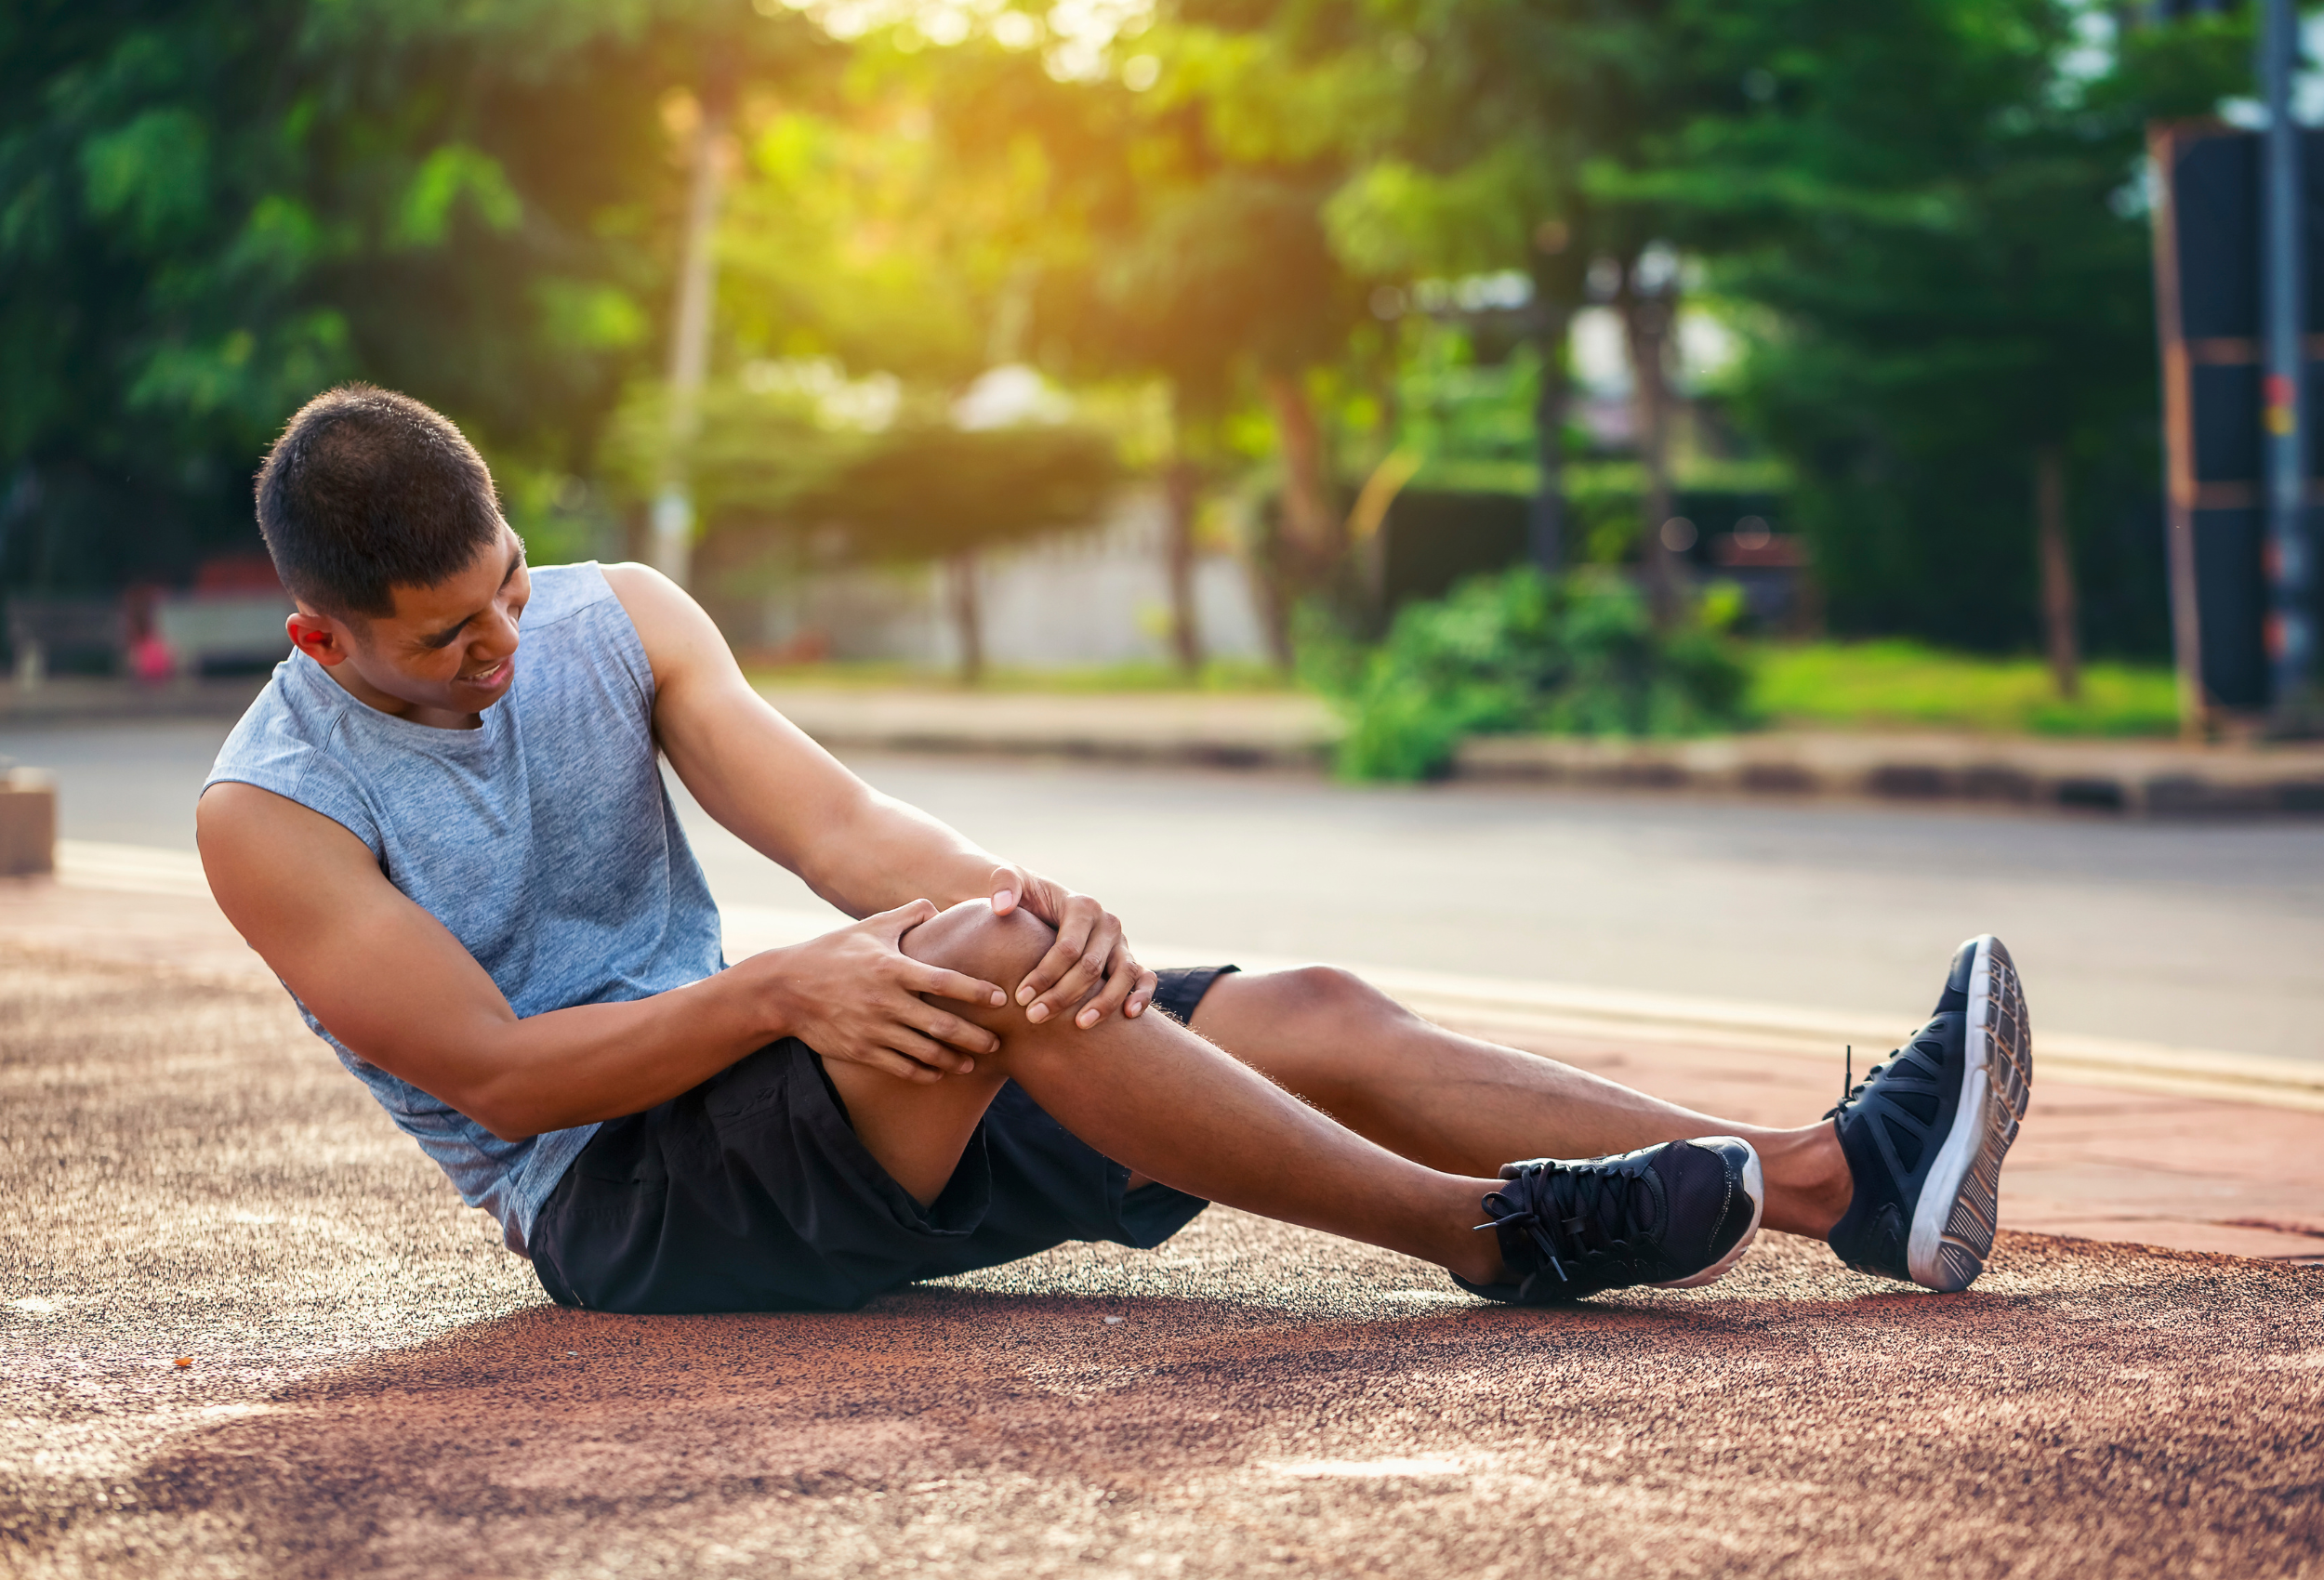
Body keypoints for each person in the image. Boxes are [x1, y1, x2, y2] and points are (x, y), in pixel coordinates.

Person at [198, 385, 2034, 1315]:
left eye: (508, 587)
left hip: (820, 1088)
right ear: (325, 638)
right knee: (976, 969)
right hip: (624, 1203)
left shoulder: (624, 619)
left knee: (1291, 1000)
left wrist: (1025, 901)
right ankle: (1489, 1237)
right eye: (449, 639)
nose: (505, 647)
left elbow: (840, 827)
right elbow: (505, 1082)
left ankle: (1833, 1185)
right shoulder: (267, 812)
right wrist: (784, 990)